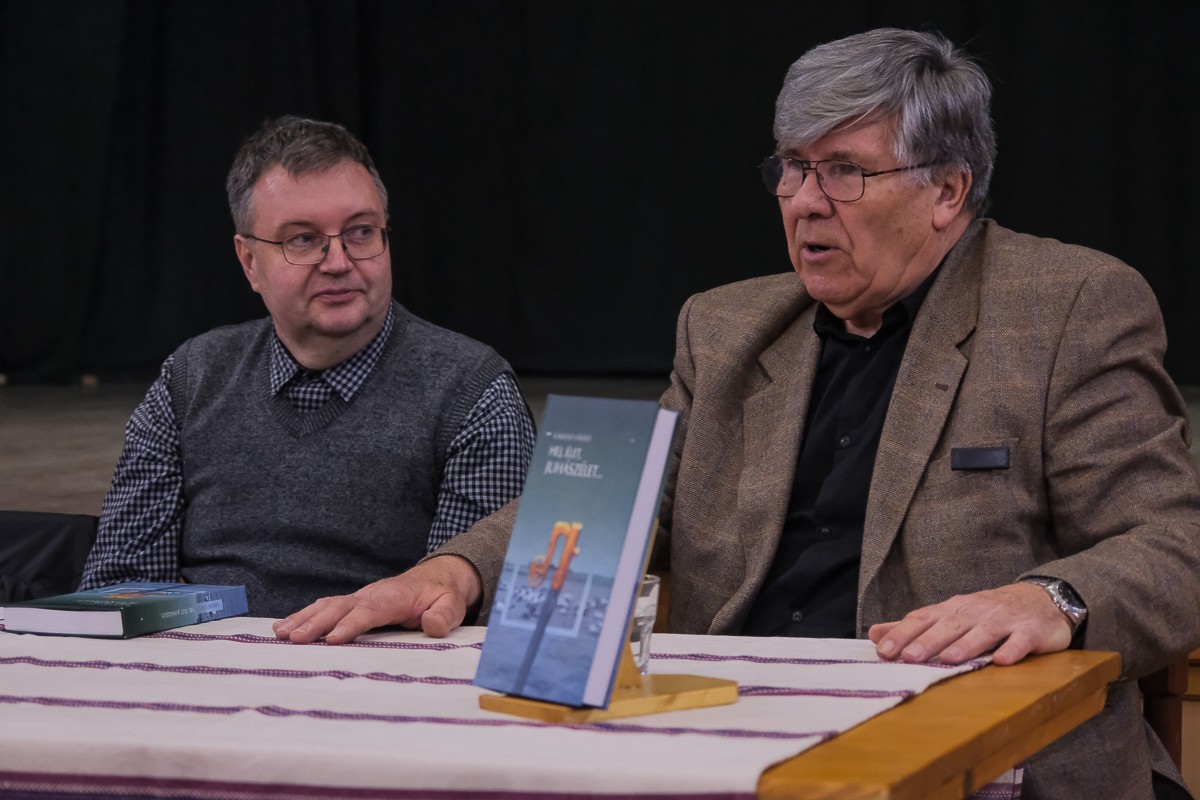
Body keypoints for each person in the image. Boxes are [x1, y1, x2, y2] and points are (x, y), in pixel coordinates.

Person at [272, 31, 1200, 798]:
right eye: (793, 169)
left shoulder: (1066, 308)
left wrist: (1053, 598)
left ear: (948, 190)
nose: (803, 204)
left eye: (844, 172)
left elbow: (1175, 544)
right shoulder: (725, 329)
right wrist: (455, 570)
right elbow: (626, 502)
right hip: (735, 736)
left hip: (977, 750)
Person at [80, 115, 536, 620]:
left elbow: (460, 616)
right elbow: (118, 592)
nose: (338, 261)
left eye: (361, 232)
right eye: (302, 239)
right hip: (208, 657)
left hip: (381, 659)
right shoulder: (190, 379)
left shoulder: (471, 392)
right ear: (249, 262)